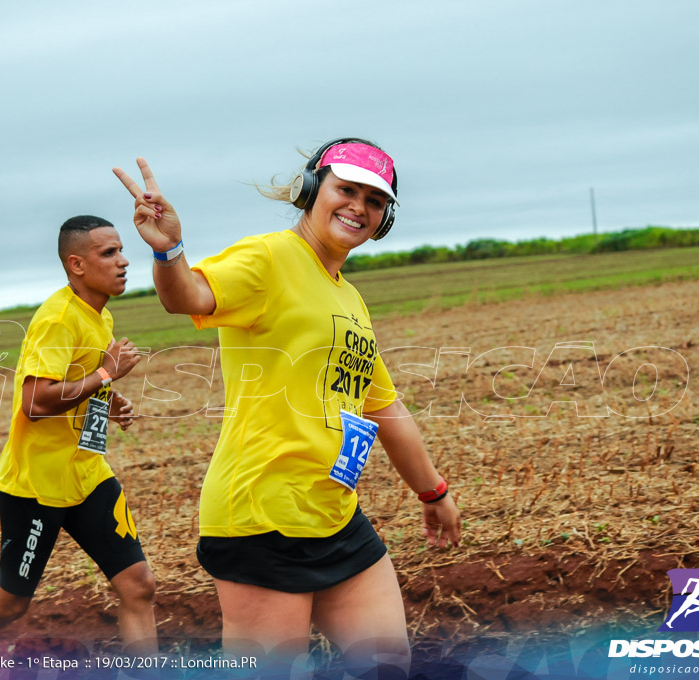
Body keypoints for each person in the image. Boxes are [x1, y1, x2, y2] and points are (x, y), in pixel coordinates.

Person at [113, 138, 461, 677]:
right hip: (263, 517)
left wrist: (432, 491)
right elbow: (189, 297)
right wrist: (168, 251)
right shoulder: (269, 257)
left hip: (333, 514)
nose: (359, 208)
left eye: (374, 201)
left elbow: (383, 406)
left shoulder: (348, 297)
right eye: (346, 190)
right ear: (311, 189)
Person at [0, 215, 157, 656]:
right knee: (10, 603)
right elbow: (35, 401)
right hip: (37, 484)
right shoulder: (58, 318)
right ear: (77, 264)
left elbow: (78, 383)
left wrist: (108, 397)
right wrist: (106, 372)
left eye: (122, 250)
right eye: (109, 253)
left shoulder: (99, 316)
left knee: (139, 586)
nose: (124, 261)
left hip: (87, 475)